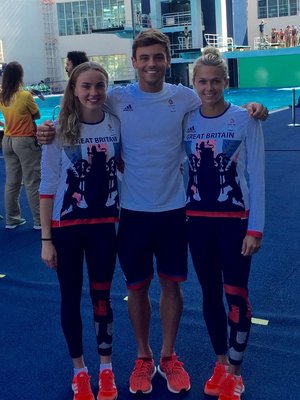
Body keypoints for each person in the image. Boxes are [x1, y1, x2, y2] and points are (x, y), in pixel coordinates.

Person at [36, 28, 268, 396]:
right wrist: (46, 129)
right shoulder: (114, 98)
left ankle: (169, 355)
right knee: (137, 287)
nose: (151, 64)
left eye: (158, 57)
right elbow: (81, 106)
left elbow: (219, 105)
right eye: (144, 58)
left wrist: (256, 109)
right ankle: (144, 356)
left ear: (168, 60)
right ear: (133, 62)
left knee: (172, 285)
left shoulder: (186, 97)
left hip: (177, 211)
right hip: (132, 212)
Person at [184, 47, 265, 400]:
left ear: (226, 82)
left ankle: (235, 369)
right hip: (197, 223)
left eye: (215, 81)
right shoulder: (186, 120)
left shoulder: (246, 119)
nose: (209, 87)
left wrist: (255, 228)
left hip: (235, 222)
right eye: (202, 81)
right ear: (193, 84)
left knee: (236, 295)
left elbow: (256, 175)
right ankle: (220, 361)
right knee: (209, 295)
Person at [39, 62, 120, 400]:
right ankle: (80, 370)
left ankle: (106, 367)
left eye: (99, 85)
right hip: (67, 229)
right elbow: (47, 187)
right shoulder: (56, 131)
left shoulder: (116, 124)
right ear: (74, 90)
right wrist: (46, 239)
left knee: (102, 298)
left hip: (104, 227)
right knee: (70, 299)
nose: (93, 92)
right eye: (86, 86)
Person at [0, 61, 41, 229]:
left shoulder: (2, 96)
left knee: (12, 182)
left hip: (7, 141)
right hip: (24, 141)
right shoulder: (25, 96)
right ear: (20, 76)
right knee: (32, 181)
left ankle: (12, 218)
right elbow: (37, 115)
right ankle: (39, 221)